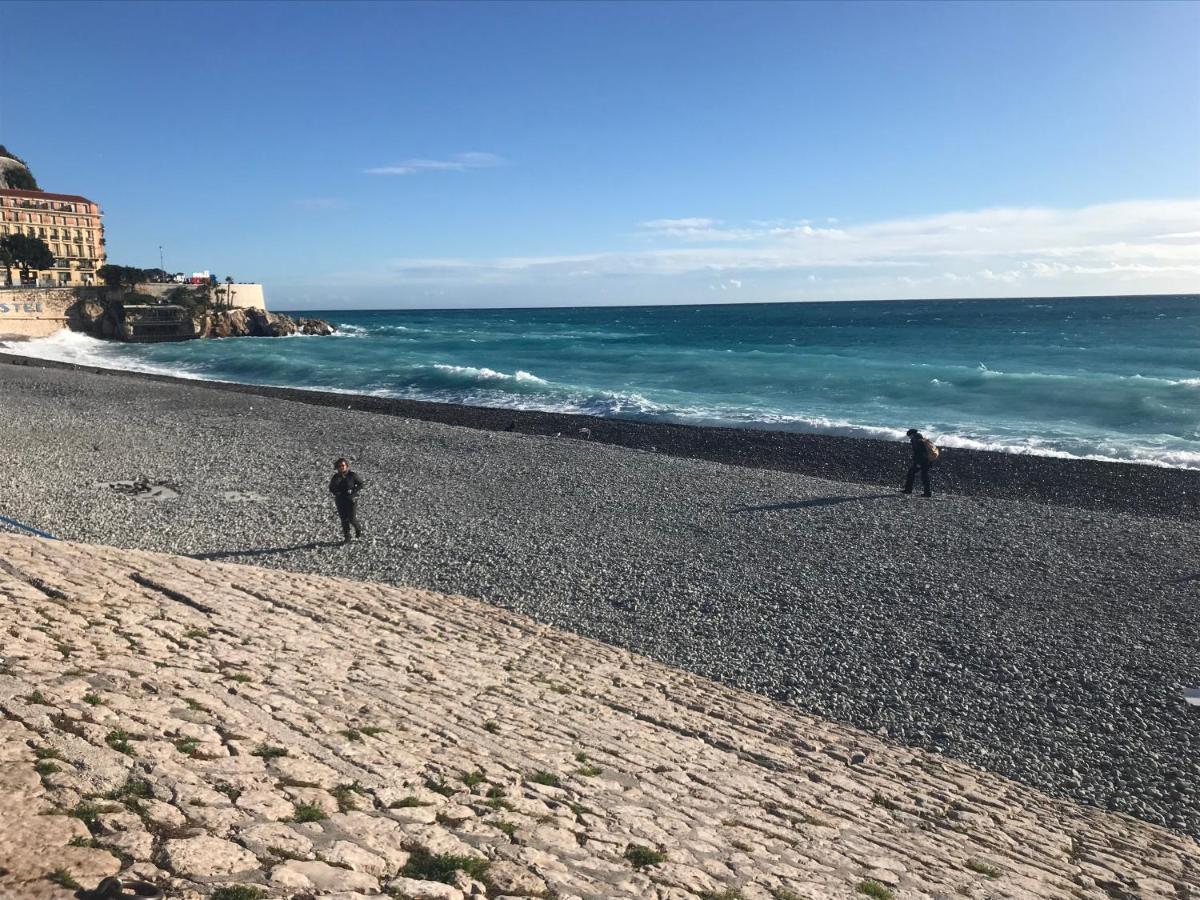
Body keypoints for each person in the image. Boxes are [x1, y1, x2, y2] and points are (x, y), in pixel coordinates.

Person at [329, 458, 365, 542]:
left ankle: (358, 528)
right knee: (344, 519)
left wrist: (353, 491)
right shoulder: (335, 477)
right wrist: (336, 492)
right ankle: (347, 537)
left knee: (352, 518)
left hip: (351, 500)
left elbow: (361, 484)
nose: (341, 467)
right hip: (340, 500)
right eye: (339, 466)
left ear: (346, 466)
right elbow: (331, 488)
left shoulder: (352, 475)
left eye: (343, 465)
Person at [901, 428, 935, 498]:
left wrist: (918, 463)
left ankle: (909, 490)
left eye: (909, 436)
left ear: (911, 435)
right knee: (923, 475)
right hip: (928, 460)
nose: (909, 438)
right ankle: (926, 492)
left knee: (916, 474)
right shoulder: (922, 439)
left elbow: (919, 453)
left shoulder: (915, 440)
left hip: (922, 461)